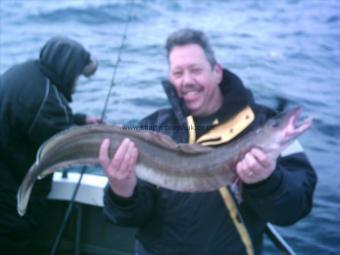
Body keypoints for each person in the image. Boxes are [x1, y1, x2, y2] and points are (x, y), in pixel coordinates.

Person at [99, 29, 317, 255]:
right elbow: (127, 218)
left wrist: (267, 182)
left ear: (217, 71)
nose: (187, 81)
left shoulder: (264, 120)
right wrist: (122, 191)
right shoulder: (150, 127)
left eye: (195, 70)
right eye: (178, 72)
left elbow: (295, 209)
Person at [0, 36, 100, 254]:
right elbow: (66, 145)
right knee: (14, 237)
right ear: (67, 69)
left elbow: (33, 115)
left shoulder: (25, 73)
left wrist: (79, 119)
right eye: (77, 75)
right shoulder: (49, 101)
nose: (76, 82)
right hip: (6, 185)